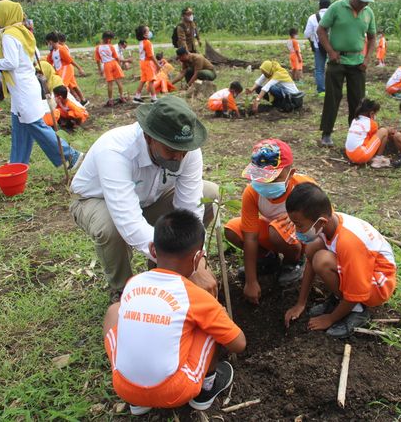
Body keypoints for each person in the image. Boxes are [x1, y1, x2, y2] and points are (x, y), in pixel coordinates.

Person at [70, 96, 220, 300]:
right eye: (170, 150)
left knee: (208, 194)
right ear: (149, 137)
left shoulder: (187, 149)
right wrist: (181, 259)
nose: (179, 158)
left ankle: (163, 271)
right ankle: (123, 289)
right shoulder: (115, 151)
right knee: (110, 227)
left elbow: (190, 209)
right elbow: (128, 222)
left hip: (150, 199)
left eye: (183, 152)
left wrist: (195, 260)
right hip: (97, 200)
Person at [102, 209, 246, 415]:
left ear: (152, 249)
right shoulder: (196, 296)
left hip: (124, 388)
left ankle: (138, 398)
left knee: (115, 311)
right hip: (176, 391)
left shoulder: (133, 283)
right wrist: (220, 314)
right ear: (198, 258)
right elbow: (239, 344)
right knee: (211, 320)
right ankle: (207, 388)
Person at [283, 183, 396, 339]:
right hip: (361, 270)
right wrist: (300, 303)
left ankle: (358, 311)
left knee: (321, 260)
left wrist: (330, 318)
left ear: (321, 221)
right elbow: (309, 261)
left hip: (378, 283)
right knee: (312, 249)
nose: (297, 230)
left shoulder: (349, 242)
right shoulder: (327, 223)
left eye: (299, 225)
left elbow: (356, 291)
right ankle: (340, 299)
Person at [0, 0, 83, 169]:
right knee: (20, 128)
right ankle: (17, 165)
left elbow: (11, 63)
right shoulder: (23, 32)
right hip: (24, 86)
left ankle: (71, 154)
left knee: (35, 125)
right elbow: (34, 55)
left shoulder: (9, 35)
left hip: (22, 88)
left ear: (5, 14)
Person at [225, 139, 314, 305]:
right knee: (232, 229)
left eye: (273, 178)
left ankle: (293, 263)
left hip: (302, 240)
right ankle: (268, 259)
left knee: (277, 230)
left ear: (291, 173)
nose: (266, 183)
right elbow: (250, 237)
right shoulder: (252, 193)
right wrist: (251, 281)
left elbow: (324, 220)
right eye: (260, 177)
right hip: (275, 232)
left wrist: (300, 218)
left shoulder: (305, 188)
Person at [317, 0, 377, 147]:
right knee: (332, 98)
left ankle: (354, 132)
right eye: (361, 1)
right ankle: (327, 133)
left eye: (367, 1)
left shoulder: (368, 12)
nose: (364, 4)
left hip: (358, 63)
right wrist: (330, 51)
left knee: (358, 100)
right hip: (338, 61)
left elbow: (372, 37)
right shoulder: (336, 7)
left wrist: (367, 59)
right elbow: (321, 30)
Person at [345, 98, 392, 168]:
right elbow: (377, 139)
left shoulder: (355, 120)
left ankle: (366, 158)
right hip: (360, 155)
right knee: (383, 131)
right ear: (372, 113)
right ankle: (378, 159)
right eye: (376, 114)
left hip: (349, 154)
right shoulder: (371, 123)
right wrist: (387, 130)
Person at [46, 31, 87, 105]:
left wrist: (79, 68)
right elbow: (48, 62)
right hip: (60, 70)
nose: (48, 45)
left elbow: (70, 60)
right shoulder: (53, 52)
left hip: (66, 69)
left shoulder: (61, 49)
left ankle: (68, 104)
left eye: (48, 43)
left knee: (61, 87)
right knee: (73, 86)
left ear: (51, 42)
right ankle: (82, 101)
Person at [303, 0, 331, 94]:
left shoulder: (312, 17)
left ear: (319, 6)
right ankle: (332, 89)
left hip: (319, 47)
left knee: (319, 69)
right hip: (333, 47)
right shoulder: (334, 16)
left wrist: (314, 38)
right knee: (333, 68)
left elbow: (306, 34)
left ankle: (321, 91)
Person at [95, 31, 127, 107]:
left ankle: (111, 100)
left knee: (110, 84)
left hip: (107, 65)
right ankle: (122, 97)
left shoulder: (98, 48)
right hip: (114, 63)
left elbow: (98, 60)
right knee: (119, 82)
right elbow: (116, 58)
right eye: (110, 39)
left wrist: (100, 70)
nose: (110, 40)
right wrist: (119, 65)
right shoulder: (110, 46)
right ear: (107, 39)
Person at [133, 25, 157, 102]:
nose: (150, 32)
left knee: (143, 80)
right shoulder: (147, 43)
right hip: (147, 63)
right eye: (148, 31)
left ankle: (137, 97)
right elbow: (151, 56)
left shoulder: (142, 42)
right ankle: (154, 98)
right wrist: (157, 64)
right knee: (151, 81)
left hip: (143, 63)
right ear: (144, 34)